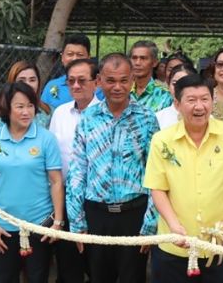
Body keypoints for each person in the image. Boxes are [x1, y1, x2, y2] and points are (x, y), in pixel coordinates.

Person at [144, 74, 223, 283]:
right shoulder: (162, 140)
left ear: (212, 100)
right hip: (175, 246)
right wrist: (173, 225)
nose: (199, 106)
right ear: (177, 104)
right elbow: (157, 188)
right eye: (191, 100)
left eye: (205, 99)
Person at [67, 53, 160, 283]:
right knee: (98, 277)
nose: (117, 87)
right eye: (110, 80)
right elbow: (78, 170)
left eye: (123, 80)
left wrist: (150, 223)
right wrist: (77, 223)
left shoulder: (147, 118)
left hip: (134, 215)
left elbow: (156, 173)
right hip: (96, 214)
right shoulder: (88, 118)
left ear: (132, 81)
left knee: (133, 278)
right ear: (99, 81)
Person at [0, 82, 64, 283]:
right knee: (5, 278)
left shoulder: (46, 139)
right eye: (19, 106)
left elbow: (56, 181)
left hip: (39, 226)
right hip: (4, 228)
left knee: (38, 278)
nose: (26, 112)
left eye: (30, 105)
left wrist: (58, 222)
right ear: (6, 108)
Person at [49, 59, 100, 283]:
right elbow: (52, 159)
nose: (76, 86)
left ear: (96, 82)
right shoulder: (60, 113)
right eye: (71, 81)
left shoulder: (105, 113)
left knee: (97, 265)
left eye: (82, 80)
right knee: (68, 265)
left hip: (97, 199)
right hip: (67, 198)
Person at [41, 34, 103, 112]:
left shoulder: (100, 88)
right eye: (70, 54)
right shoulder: (51, 86)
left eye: (79, 55)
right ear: (62, 57)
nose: (74, 59)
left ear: (88, 58)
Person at [0, 61, 51, 132]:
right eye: (22, 80)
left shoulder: (48, 111)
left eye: (32, 80)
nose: (28, 84)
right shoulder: (1, 111)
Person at [130, 41, 173, 112]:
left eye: (143, 58)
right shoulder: (123, 93)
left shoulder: (166, 96)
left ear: (155, 62)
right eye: (134, 58)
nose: (137, 63)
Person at [156, 64, 197, 130]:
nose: (178, 88)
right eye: (174, 84)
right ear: (168, 85)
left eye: (185, 83)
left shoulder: (205, 117)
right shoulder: (158, 118)